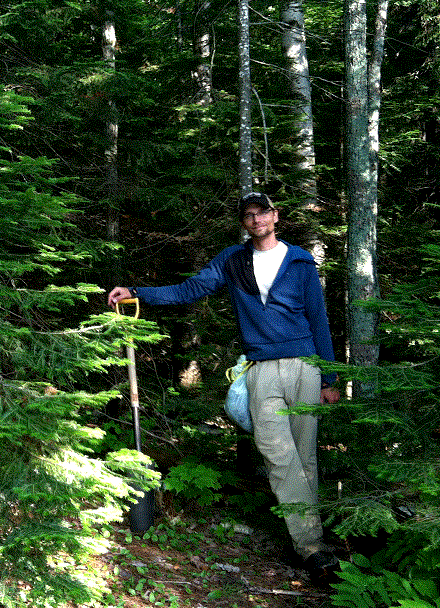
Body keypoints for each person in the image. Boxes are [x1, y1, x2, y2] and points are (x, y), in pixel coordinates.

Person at [107, 192, 341, 585]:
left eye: (262, 212)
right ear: (244, 223)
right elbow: (190, 289)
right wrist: (137, 292)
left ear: (275, 216)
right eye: (248, 215)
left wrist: (330, 377)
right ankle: (312, 546)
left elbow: (318, 318)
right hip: (260, 369)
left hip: (305, 366)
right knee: (278, 456)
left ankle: (311, 533)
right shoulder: (233, 261)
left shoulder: (300, 261)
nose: (256, 220)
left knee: (305, 455)